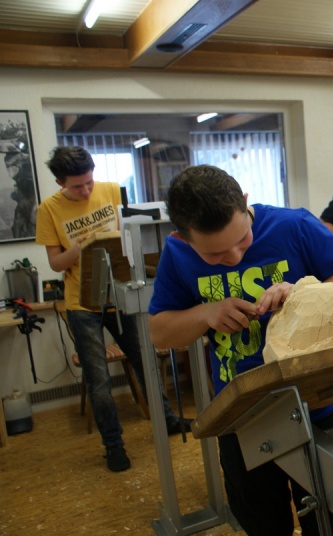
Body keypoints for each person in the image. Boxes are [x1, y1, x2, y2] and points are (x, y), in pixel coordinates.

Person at [148, 165, 333, 535]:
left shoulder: (295, 226)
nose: (235, 257)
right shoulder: (176, 253)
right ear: (182, 237)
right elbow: (160, 332)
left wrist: (305, 291)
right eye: (216, 255)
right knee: (262, 522)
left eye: (242, 240)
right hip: (241, 416)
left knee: (328, 523)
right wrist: (205, 313)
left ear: (244, 202)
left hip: (314, 404)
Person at [35, 146, 193, 473]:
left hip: (119, 297)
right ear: (60, 182)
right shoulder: (48, 209)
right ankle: (113, 445)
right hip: (82, 304)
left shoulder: (110, 191)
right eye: (77, 186)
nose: (86, 190)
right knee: (99, 379)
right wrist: (81, 246)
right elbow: (55, 263)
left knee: (146, 362)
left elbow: (131, 238)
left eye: (89, 182)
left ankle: (167, 419)